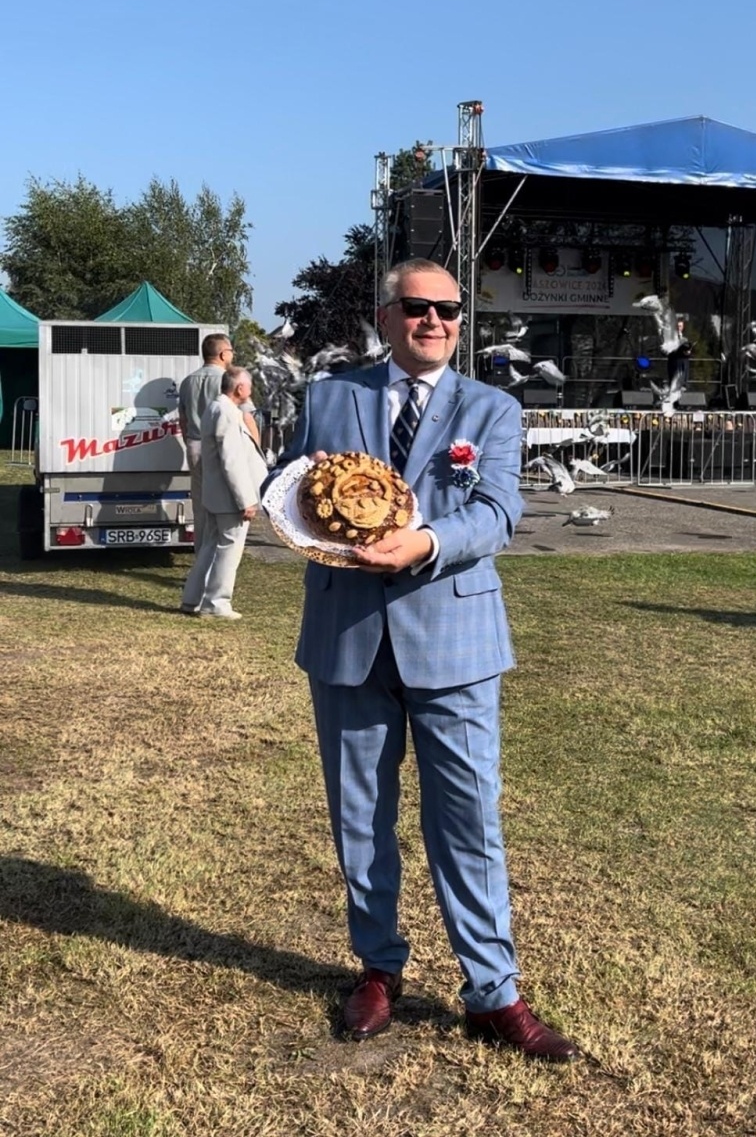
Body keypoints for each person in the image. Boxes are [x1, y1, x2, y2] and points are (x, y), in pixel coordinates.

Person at [267, 258, 580, 1061]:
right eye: (416, 306)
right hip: (346, 638)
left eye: (448, 308)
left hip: (455, 643)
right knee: (358, 816)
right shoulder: (329, 397)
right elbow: (290, 481)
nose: (434, 320)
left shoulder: (493, 408)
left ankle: (492, 993)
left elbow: (498, 511)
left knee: (467, 821)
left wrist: (426, 541)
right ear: (386, 316)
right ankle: (378, 968)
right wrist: (295, 512)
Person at [180, 367, 267, 619]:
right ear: (240, 388)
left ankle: (193, 599)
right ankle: (216, 603)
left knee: (210, 546)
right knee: (229, 548)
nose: (251, 390)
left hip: (216, 493)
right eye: (249, 385)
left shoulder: (217, 408)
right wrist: (245, 499)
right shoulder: (227, 413)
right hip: (228, 496)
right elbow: (232, 461)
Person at [178, 334, 235, 552]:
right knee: (223, 502)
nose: (232, 355)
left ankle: (201, 551)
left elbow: (183, 419)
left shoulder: (188, 381)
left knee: (200, 504)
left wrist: (189, 441)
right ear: (222, 354)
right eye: (231, 351)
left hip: (194, 443)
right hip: (219, 446)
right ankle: (219, 552)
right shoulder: (227, 380)